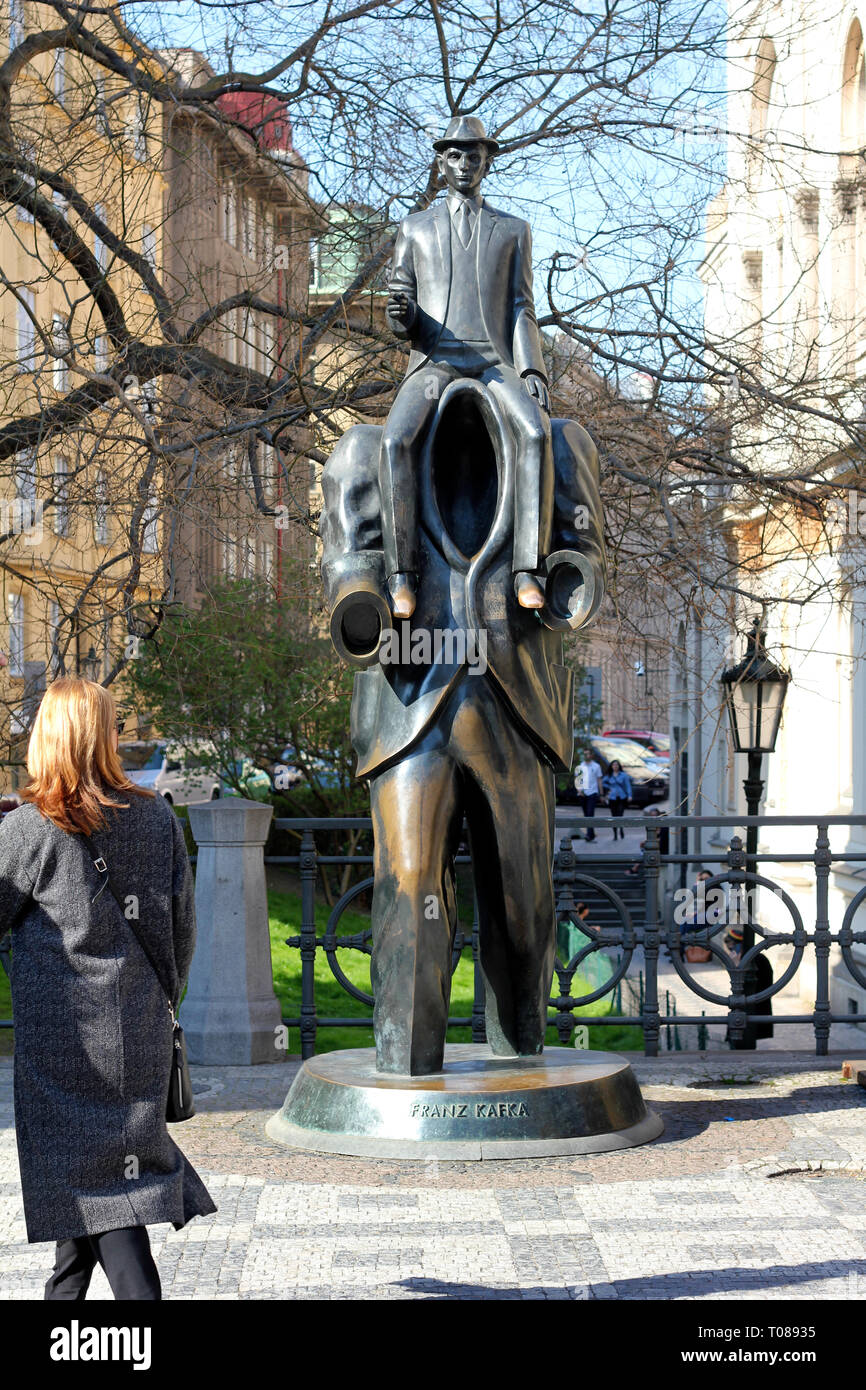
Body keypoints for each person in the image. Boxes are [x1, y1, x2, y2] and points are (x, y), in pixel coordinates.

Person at [0, 678, 216, 1300]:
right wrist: (156, 1005)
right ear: (104, 737)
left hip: (60, 1046)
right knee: (89, 1203)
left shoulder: (28, 831)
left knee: (105, 1206)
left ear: (48, 738)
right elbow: (180, 932)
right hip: (137, 1036)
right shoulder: (155, 817)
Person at [381, 115, 554, 618]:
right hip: (434, 363)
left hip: (494, 364)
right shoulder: (414, 229)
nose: (464, 163)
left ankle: (527, 570)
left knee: (536, 434)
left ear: (487, 161)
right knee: (395, 440)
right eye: (455, 154)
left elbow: (522, 308)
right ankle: (402, 579)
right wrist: (403, 316)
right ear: (441, 161)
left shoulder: (513, 231)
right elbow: (404, 309)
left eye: (474, 154)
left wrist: (532, 371)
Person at [574, 748, 604, 842]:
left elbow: (599, 780)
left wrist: (601, 794)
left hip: (592, 792)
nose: (586, 756)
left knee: (590, 813)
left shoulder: (596, 766)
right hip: (583, 793)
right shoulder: (580, 766)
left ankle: (588, 835)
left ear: (591, 755)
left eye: (587, 754)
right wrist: (579, 791)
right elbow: (577, 780)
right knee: (586, 814)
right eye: (584, 754)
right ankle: (591, 834)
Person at [602, 759, 631, 839]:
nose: (615, 766)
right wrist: (609, 787)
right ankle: (615, 834)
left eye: (617, 765)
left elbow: (627, 785)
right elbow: (603, 782)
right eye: (614, 765)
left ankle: (621, 829)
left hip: (622, 797)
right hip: (612, 798)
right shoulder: (609, 775)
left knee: (620, 815)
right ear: (611, 766)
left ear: (619, 766)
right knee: (613, 816)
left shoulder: (623, 775)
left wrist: (629, 795)